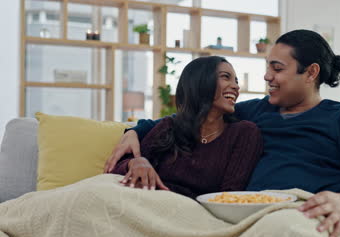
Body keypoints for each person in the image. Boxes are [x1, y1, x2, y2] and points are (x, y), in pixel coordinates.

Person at [104, 29, 340, 237]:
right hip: (243, 216)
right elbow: (185, 119)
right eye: (267, 67)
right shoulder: (253, 112)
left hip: (301, 214)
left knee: (284, 232)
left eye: (277, 68)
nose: (266, 77)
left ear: (311, 73)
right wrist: (134, 132)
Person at [110, 56, 263, 199]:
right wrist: (135, 162)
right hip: (146, 201)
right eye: (225, 77)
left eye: (236, 81)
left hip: (192, 215)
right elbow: (115, 170)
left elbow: (229, 198)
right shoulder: (169, 127)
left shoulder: (244, 133)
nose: (236, 86)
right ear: (201, 82)